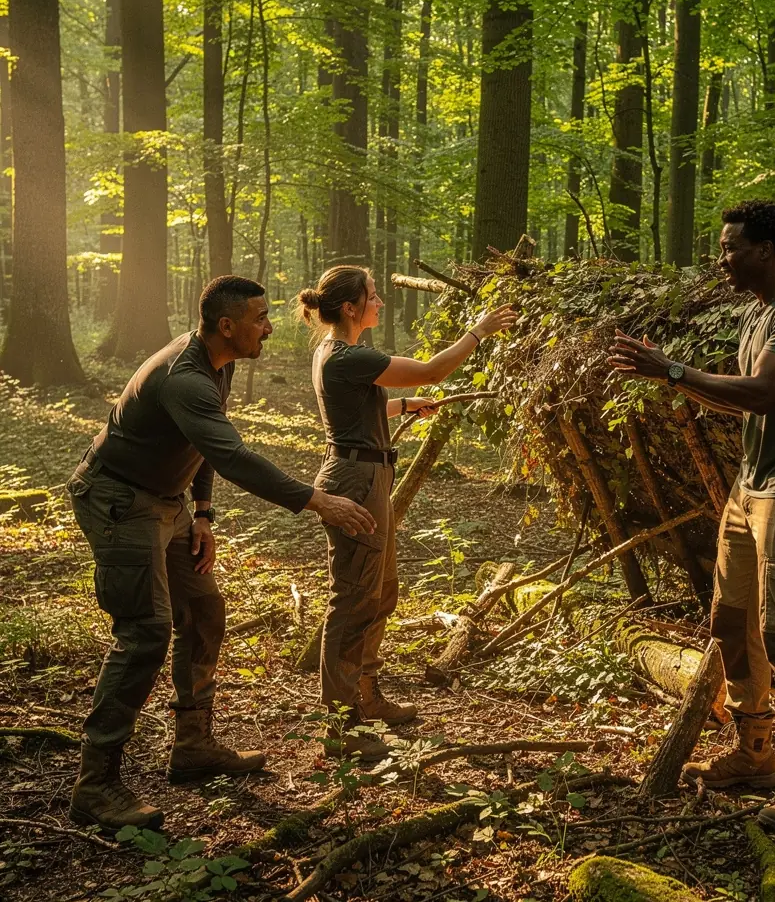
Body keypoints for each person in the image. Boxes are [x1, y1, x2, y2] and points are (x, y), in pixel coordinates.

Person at [67, 276, 377, 832]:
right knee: (146, 632)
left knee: (205, 611)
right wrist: (318, 502)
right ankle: (95, 786)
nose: (271, 325)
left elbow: (205, 445)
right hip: (118, 501)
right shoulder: (185, 377)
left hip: (168, 502)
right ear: (227, 325)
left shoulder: (219, 363)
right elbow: (232, 455)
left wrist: (202, 513)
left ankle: (193, 746)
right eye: (260, 317)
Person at [607, 199, 775, 833]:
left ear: (764, 251)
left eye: (731, 246)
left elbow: (766, 392)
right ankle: (756, 751)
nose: (722, 257)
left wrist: (673, 369)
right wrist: (668, 375)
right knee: (730, 618)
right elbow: (741, 405)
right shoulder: (758, 315)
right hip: (751, 489)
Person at [296, 265, 515, 759]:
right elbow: (434, 368)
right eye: (373, 296)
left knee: (380, 590)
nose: (380, 302)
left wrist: (402, 406)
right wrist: (478, 331)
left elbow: (354, 411)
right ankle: (341, 726)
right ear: (350, 308)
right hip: (354, 481)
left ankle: (366, 695)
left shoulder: (337, 355)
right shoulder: (348, 354)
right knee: (353, 600)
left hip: (367, 476)